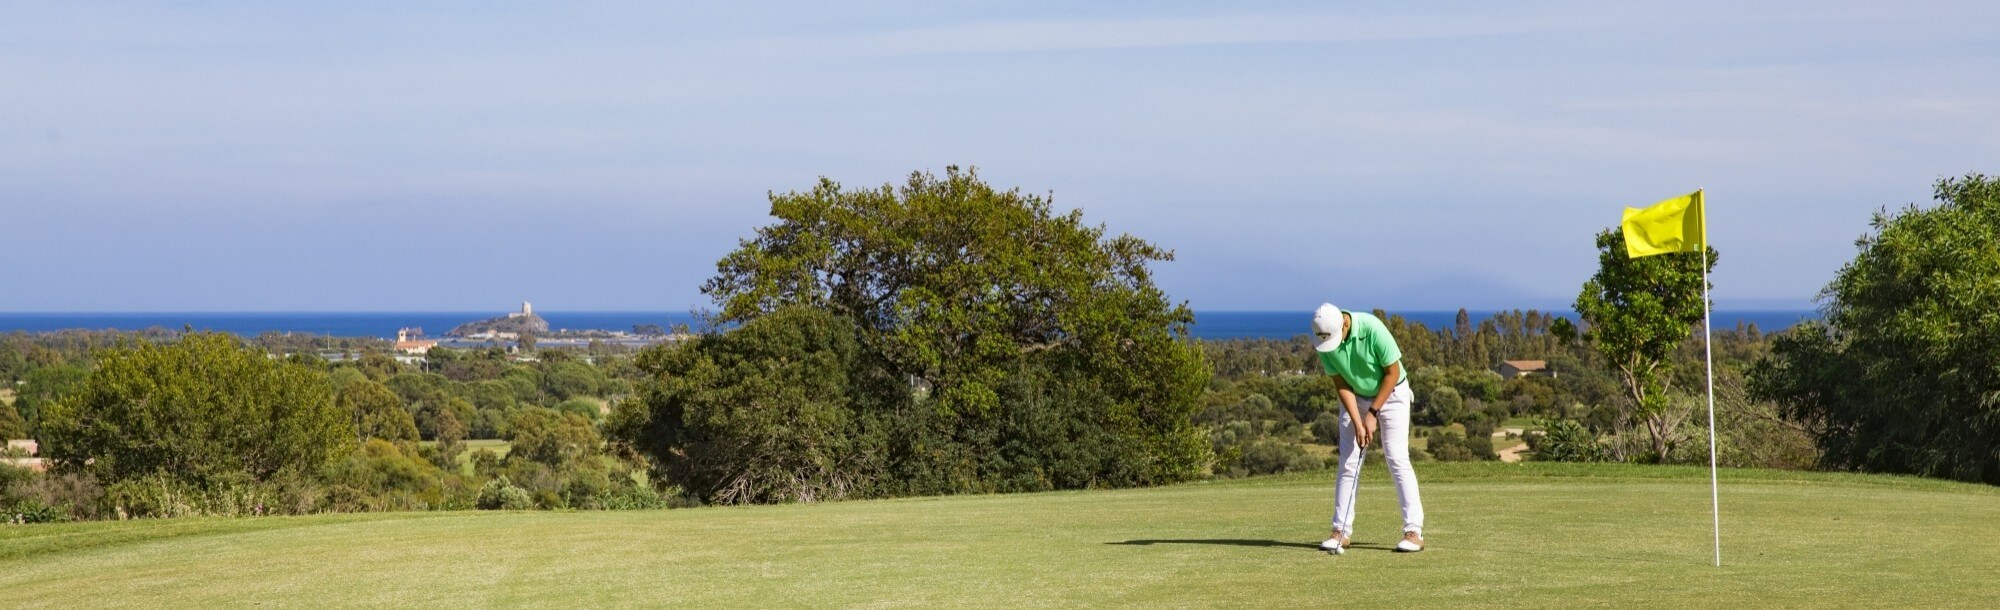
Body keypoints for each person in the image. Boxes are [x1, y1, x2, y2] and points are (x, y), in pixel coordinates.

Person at [1310, 303, 1425, 554]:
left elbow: (1392, 373)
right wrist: (1358, 420)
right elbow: (1341, 384)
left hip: (1392, 393)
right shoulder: (1324, 340)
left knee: (1396, 458)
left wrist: (1372, 414)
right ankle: (1340, 531)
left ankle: (1413, 532)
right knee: (1348, 461)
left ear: (1344, 323)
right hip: (1355, 398)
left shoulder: (1372, 328)